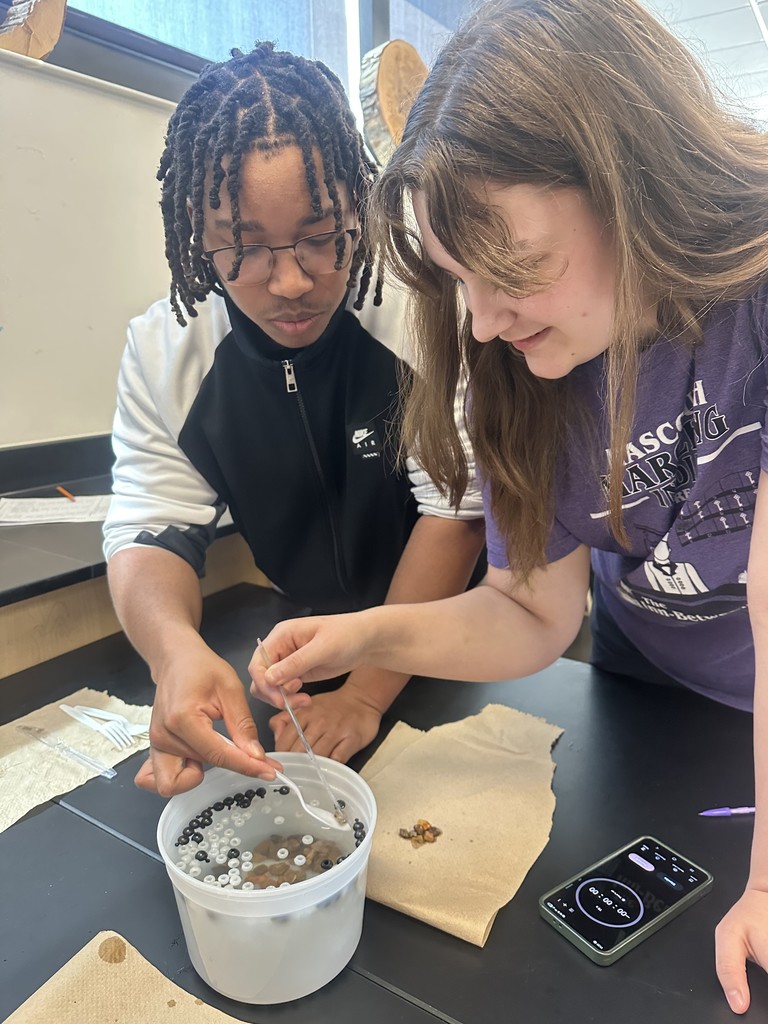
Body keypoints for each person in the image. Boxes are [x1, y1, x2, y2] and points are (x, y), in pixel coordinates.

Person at [248, 0, 768, 1011]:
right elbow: (531, 610)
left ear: (630, 182)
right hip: (651, 695)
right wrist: (363, 636)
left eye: (511, 268)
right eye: (459, 281)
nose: (483, 322)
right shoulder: (523, 369)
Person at [103, 43, 485, 798]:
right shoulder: (164, 351)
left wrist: (367, 691)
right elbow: (149, 525)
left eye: (321, 236)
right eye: (244, 248)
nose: (289, 282)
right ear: (197, 231)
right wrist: (174, 653)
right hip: (304, 632)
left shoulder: (424, 307)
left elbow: (458, 512)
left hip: (457, 629)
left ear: (360, 206)